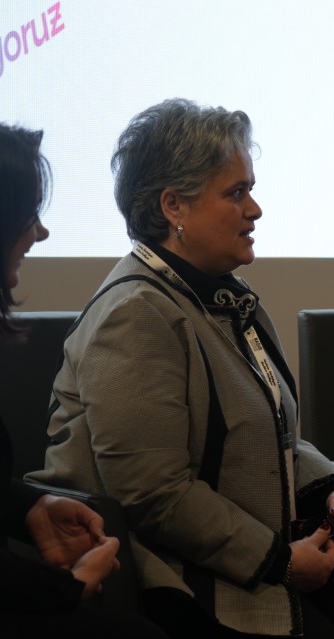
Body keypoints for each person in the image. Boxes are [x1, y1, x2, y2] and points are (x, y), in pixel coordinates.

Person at [28, 100, 334, 639]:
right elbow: (155, 495)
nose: (255, 210)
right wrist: (281, 561)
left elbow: (266, 431)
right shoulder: (135, 314)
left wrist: (327, 494)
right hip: (185, 581)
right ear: (173, 206)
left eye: (250, 190)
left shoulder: (227, 297)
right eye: (236, 193)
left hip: (255, 549)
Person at [1, 123, 168, 638]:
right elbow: (155, 488)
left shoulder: (240, 306)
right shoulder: (133, 312)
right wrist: (66, 589)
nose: (41, 233)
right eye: (29, 215)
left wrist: (29, 507)